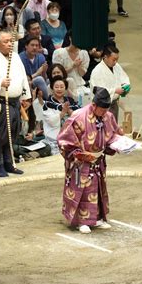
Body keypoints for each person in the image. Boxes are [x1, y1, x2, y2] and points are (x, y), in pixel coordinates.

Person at [57, 87, 121, 234]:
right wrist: (78, 154)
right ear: (94, 106)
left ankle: (97, 218)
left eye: (106, 110)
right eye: (102, 110)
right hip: (80, 161)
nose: (105, 114)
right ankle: (81, 221)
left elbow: (113, 136)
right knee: (82, 188)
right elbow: (63, 140)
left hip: (98, 159)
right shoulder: (78, 117)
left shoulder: (108, 116)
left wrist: (118, 144)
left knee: (98, 187)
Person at [0, 30, 30, 177]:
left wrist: (25, 96)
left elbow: (23, 77)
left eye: (11, 41)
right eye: (5, 42)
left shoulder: (15, 57)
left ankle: (9, 163)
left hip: (15, 102)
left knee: (12, 134)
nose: (9, 44)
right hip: (1, 103)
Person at [90, 44, 130, 121]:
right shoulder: (97, 71)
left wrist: (125, 86)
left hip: (114, 103)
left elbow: (124, 77)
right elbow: (98, 91)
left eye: (117, 60)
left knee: (113, 127)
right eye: (113, 59)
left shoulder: (116, 66)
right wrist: (115, 90)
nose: (115, 62)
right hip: (101, 107)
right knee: (103, 128)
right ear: (105, 57)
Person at [42, 76, 80, 154]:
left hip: (71, 137)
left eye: (62, 87)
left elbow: (79, 117)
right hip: (54, 138)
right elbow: (51, 121)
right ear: (52, 88)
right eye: (56, 87)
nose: (59, 89)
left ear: (65, 88)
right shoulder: (48, 103)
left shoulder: (71, 101)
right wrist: (62, 113)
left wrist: (69, 111)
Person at [52, 31, 89, 101]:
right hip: (63, 86)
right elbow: (57, 74)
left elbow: (82, 74)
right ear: (70, 38)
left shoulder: (84, 53)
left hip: (79, 85)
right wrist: (72, 65)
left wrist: (79, 66)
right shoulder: (58, 53)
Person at [19, 36, 49, 100]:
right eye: (32, 45)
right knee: (39, 79)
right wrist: (37, 73)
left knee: (52, 81)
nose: (35, 47)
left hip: (40, 83)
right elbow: (23, 79)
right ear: (26, 46)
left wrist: (43, 72)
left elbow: (44, 79)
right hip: (25, 84)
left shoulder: (41, 57)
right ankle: (49, 100)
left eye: (37, 45)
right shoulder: (20, 58)